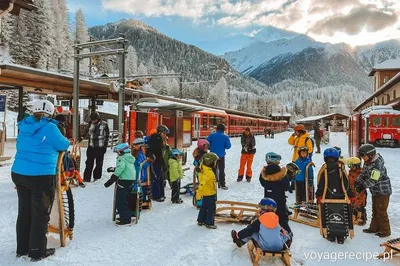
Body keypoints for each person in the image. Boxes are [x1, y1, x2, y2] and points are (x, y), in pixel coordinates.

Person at [11, 100, 70, 261]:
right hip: (40, 176)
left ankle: (22, 248)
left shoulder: (24, 125)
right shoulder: (50, 127)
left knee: (24, 211)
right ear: (50, 113)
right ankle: (37, 251)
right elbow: (64, 144)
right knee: (40, 214)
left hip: (19, 173)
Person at [316, 147, 354, 244]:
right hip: (339, 196)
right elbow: (346, 184)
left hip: (327, 197)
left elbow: (321, 184)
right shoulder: (341, 168)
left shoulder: (324, 169)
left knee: (328, 214)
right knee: (340, 213)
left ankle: (330, 234)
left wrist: (318, 195)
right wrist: (350, 195)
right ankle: (341, 235)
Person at [355, 144, 392, 238]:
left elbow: (374, 179)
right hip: (375, 191)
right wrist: (357, 182)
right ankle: (374, 228)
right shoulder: (368, 162)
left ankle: (385, 230)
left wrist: (362, 186)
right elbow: (363, 173)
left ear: (371, 155)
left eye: (363, 155)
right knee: (375, 209)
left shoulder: (377, 165)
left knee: (381, 211)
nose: (362, 158)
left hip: (382, 191)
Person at [259, 152, 292, 234]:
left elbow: (263, 183)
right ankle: (287, 233)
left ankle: (268, 232)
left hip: (268, 199)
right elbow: (286, 186)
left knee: (268, 216)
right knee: (282, 217)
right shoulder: (282, 173)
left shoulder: (264, 173)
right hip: (280, 199)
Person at [104, 143, 136, 225]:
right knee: (126, 199)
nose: (117, 154)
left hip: (124, 181)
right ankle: (127, 215)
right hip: (131, 180)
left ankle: (125, 219)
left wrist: (111, 180)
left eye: (118, 152)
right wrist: (113, 169)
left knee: (120, 200)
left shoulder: (121, 158)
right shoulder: (129, 158)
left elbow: (120, 169)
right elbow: (125, 167)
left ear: (122, 152)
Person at [82, 111, 110, 182]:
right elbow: (86, 131)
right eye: (92, 120)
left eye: (94, 119)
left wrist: (105, 146)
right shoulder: (90, 124)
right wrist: (82, 136)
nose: (93, 121)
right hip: (91, 146)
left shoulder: (104, 124)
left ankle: (97, 177)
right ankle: (86, 178)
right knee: (88, 163)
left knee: (99, 163)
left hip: (100, 147)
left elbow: (107, 136)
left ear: (98, 118)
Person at [196, 152, 219, 229]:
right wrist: (198, 194)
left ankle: (201, 220)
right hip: (210, 193)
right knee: (211, 208)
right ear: (210, 163)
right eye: (214, 162)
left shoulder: (202, 168)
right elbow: (202, 183)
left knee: (204, 207)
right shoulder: (209, 173)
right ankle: (209, 222)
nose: (215, 163)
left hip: (205, 193)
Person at [147, 125, 169, 202]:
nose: (165, 135)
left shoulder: (158, 138)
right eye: (164, 133)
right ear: (160, 132)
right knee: (156, 177)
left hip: (158, 160)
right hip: (156, 161)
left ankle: (161, 194)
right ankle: (156, 195)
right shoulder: (156, 138)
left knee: (160, 177)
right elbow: (157, 152)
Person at [207, 123, 231, 190]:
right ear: (223, 130)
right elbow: (228, 146)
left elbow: (206, 143)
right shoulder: (225, 137)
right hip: (221, 156)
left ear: (216, 129)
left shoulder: (211, 135)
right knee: (221, 170)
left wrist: (211, 147)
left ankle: (212, 183)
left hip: (212, 156)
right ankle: (222, 184)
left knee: (212, 170)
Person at [346, 157, 367, 226]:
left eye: (351, 165)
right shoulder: (351, 172)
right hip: (352, 191)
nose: (350, 167)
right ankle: (354, 216)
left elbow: (362, 184)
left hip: (360, 193)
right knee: (353, 205)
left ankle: (362, 218)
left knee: (359, 205)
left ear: (356, 166)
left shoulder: (360, 173)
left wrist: (359, 190)